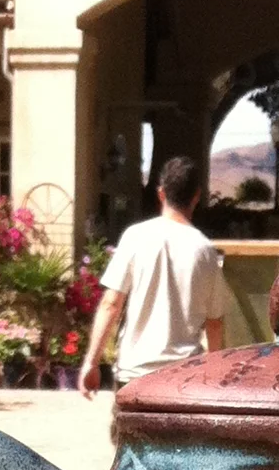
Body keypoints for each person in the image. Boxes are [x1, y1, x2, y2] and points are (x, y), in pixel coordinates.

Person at [80, 155, 232, 394]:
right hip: (184, 377)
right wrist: (212, 371)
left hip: (135, 374)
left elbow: (111, 303)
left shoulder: (135, 236)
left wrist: (92, 361)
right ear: (196, 197)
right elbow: (214, 322)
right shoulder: (205, 251)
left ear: (161, 193)